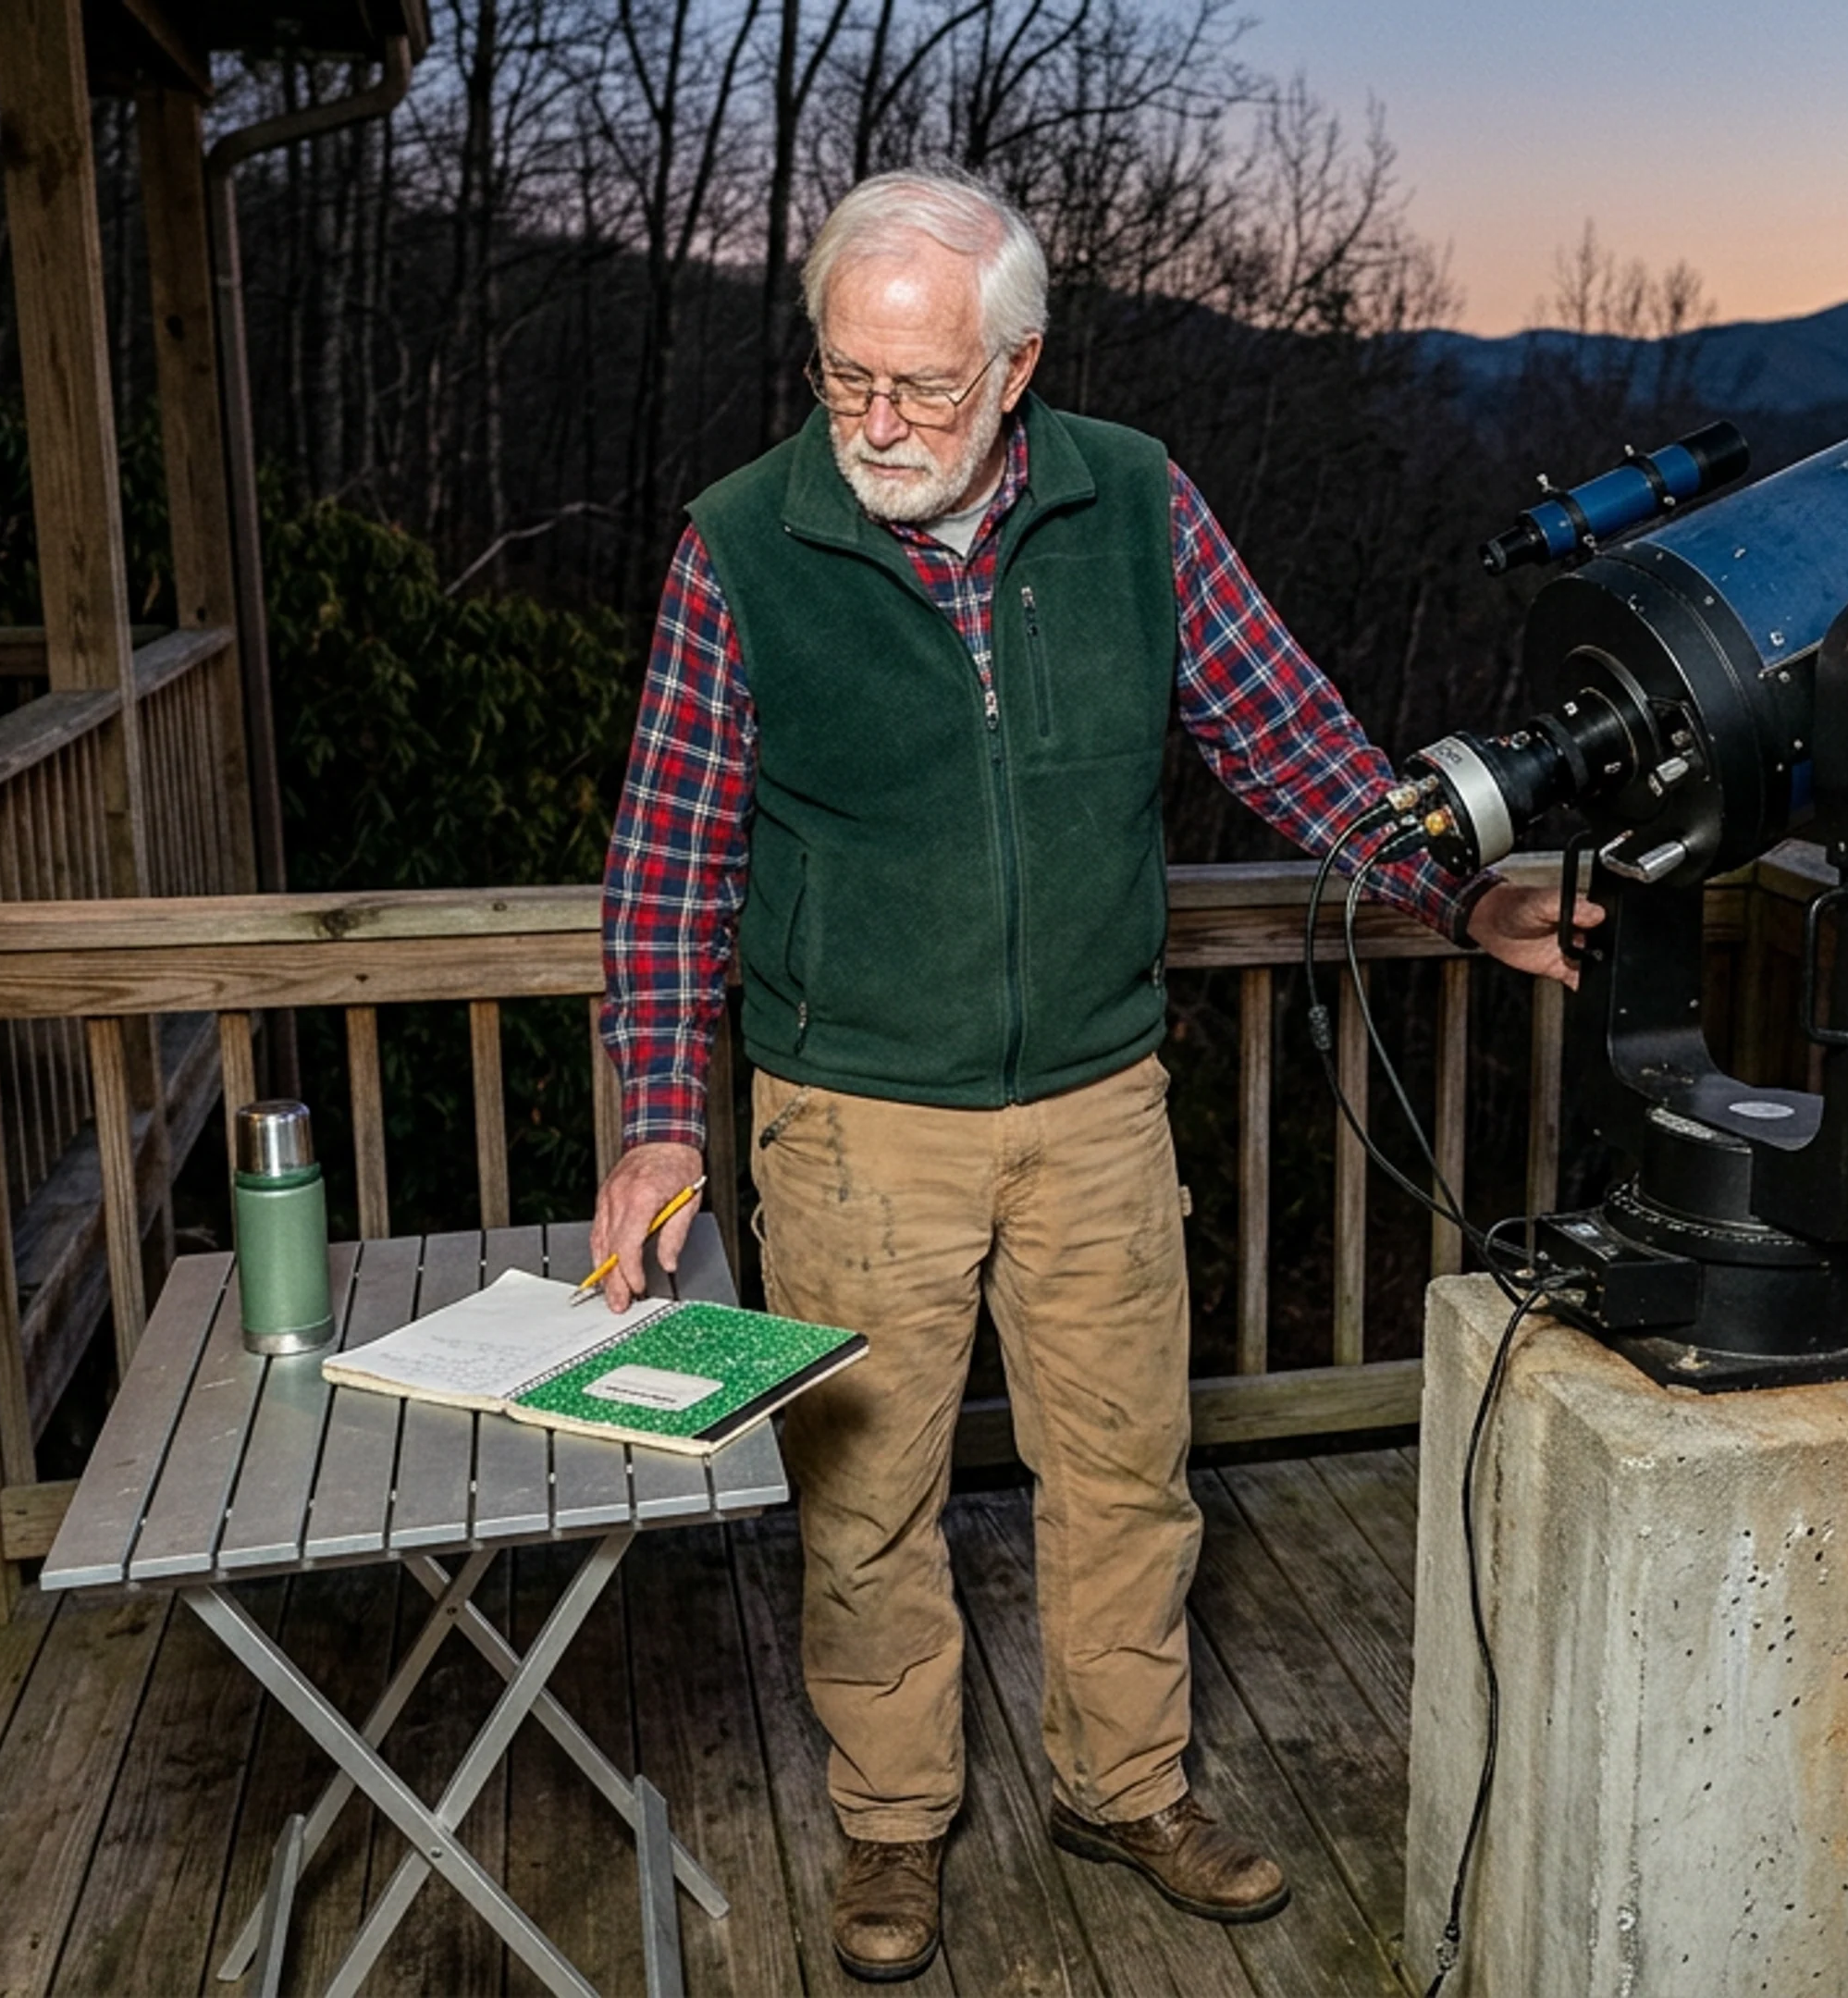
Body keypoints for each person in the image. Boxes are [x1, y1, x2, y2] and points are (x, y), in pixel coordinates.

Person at [590, 163, 1589, 1984]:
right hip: (852, 1117)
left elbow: (1287, 731)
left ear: (1019, 364)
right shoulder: (740, 544)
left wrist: (1462, 893)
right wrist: (662, 1118)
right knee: (869, 1496)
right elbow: (669, 867)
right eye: (845, 379)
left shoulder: (1138, 503)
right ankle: (895, 1828)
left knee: (1129, 1470)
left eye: (921, 387)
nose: (876, 423)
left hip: (1097, 1108)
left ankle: (1121, 1786)